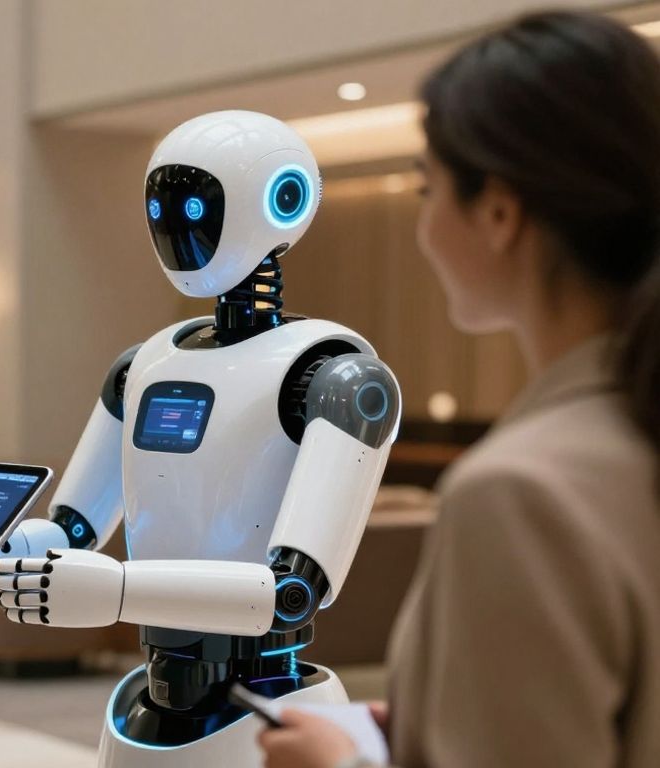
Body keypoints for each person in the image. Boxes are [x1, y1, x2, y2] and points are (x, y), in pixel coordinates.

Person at [259, 11, 660, 768]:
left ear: (501, 212)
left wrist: (339, 765)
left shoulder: (522, 494)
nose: (423, 223)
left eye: (426, 188)